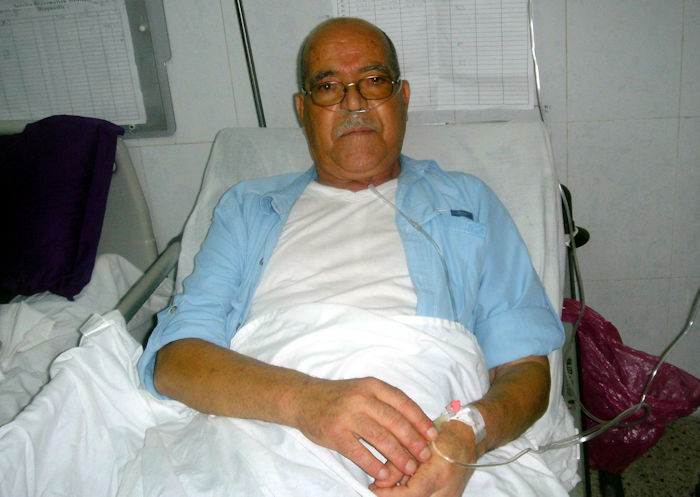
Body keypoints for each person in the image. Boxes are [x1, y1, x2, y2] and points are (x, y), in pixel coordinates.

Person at [138, 17, 565, 497]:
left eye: (374, 80)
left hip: (431, 439)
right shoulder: (248, 208)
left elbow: (525, 368)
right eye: (328, 87)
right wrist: (309, 403)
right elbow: (175, 361)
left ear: (402, 97)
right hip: (265, 428)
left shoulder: (467, 201)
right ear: (303, 110)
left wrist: (470, 436)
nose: (353, 102)